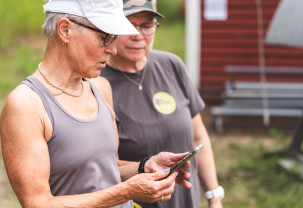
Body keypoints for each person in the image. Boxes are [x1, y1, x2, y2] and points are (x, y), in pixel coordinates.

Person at [0, 0, 192, 207]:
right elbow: (37, 203)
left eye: (115, 38)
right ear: (65, 30)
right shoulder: (26, 105)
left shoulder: (100, 87)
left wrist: (145, 165)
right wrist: (124, 193)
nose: (113, 49)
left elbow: (108, 167)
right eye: (105, 37)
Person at [100, 0, 224, 208]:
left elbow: (199, 136)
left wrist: (214, 196)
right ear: (109, 28)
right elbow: (104, 167)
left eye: (147, 26)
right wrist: (145, 166)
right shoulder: (98, 83)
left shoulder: (172, 65)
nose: (137, 36)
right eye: (128, 25)